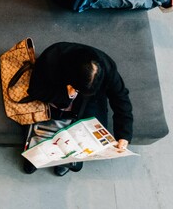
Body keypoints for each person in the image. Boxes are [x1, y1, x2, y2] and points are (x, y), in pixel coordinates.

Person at [23, 42, 133, 176]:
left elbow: (121, 98)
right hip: (57, 92)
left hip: (91, 98)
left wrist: (124, 135)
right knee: (45, 124)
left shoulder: (108, 67)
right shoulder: (52, 57)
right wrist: (66, 95)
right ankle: (37, 153)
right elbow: (35, 90)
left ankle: (68, 157)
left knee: (91, 132)